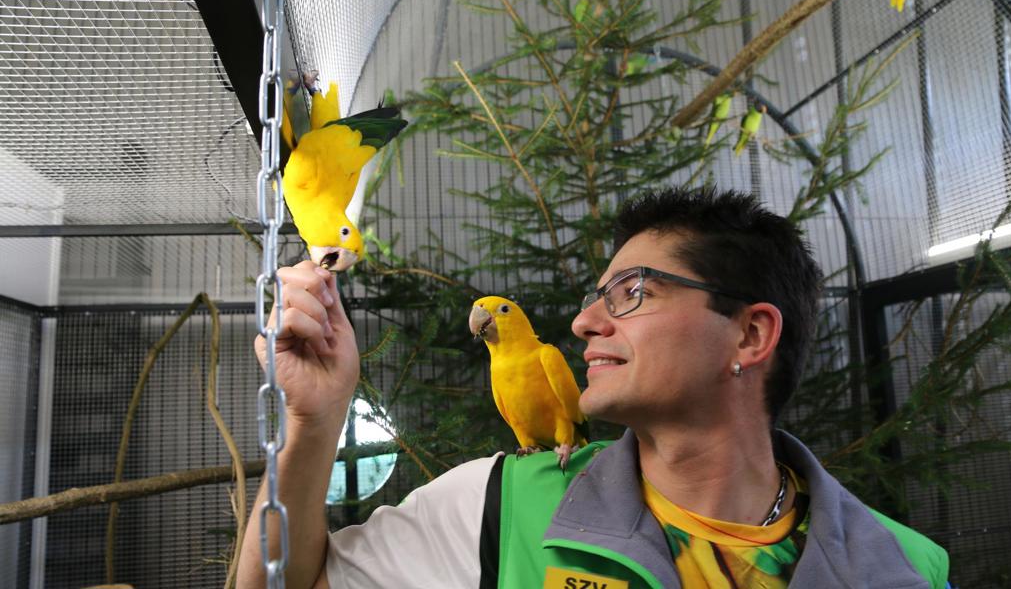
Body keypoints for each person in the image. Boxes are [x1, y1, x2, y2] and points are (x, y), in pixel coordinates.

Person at [238, 187, 950, 589]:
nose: (584, 322)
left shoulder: (906, 570)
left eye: (632, 292)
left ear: (749, 336)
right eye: (595, 296)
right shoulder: (495, 504)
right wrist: (316, 419)